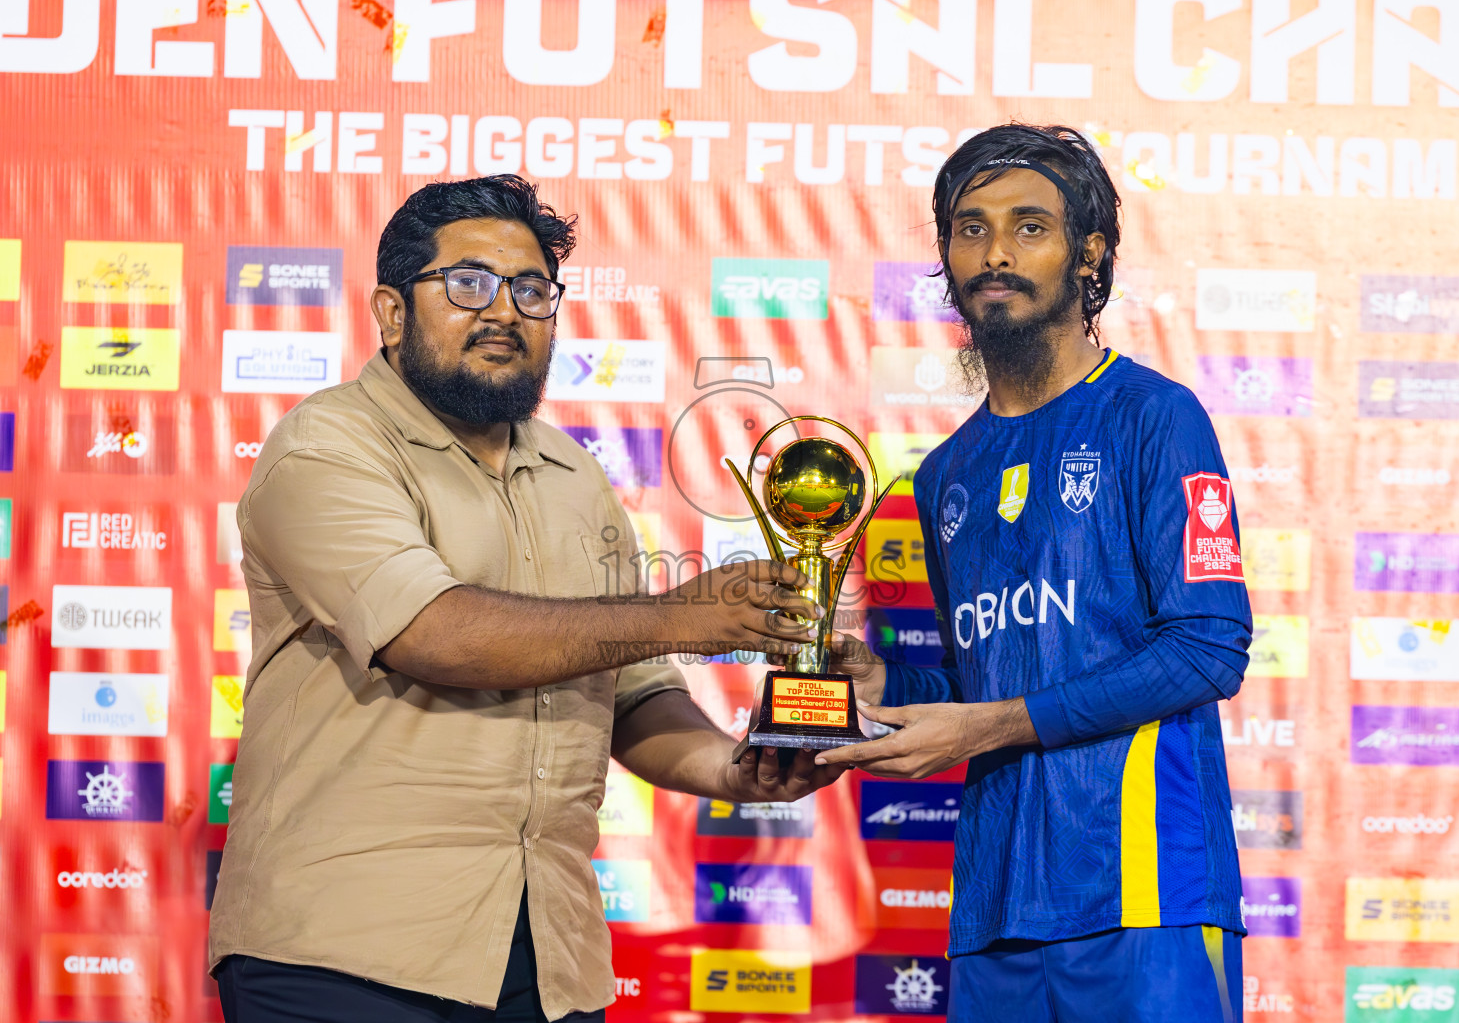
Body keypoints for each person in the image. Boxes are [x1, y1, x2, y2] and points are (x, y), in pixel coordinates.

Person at [207, 174, 847, 1023]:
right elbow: (431, 632)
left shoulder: (575, 474)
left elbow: (632, 694)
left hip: (547, 957)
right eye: (468, 283)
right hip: (344, 954)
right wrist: (683, 616)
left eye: (531, 290)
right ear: (392, 312)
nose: (503, 311)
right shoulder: (326, 446)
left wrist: (737, 770)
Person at [814, 124, 1253, 1022]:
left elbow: (1209, 648)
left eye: (1029, 227)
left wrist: (987, 726)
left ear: (1088, 254)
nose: (996, 254)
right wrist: (884, 685)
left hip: (1144, 894)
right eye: (970, 229)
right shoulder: (945, 474)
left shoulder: (1155, 415)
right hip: (994, 910)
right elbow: (989, 678)